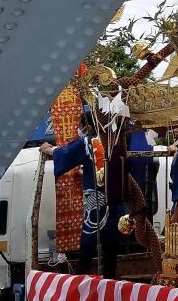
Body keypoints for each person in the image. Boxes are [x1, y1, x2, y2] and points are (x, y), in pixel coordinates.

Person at [40, 113, 127, 279]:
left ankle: (80, 282)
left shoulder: (88, 142)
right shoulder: (114, 141)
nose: (79, 131)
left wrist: (49, 149)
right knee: (110, 246)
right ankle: (110, 280)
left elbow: (66, 153)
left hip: (97, 202)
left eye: (80, 127)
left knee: (88, 242)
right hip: (115, 200)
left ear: (87, 127)